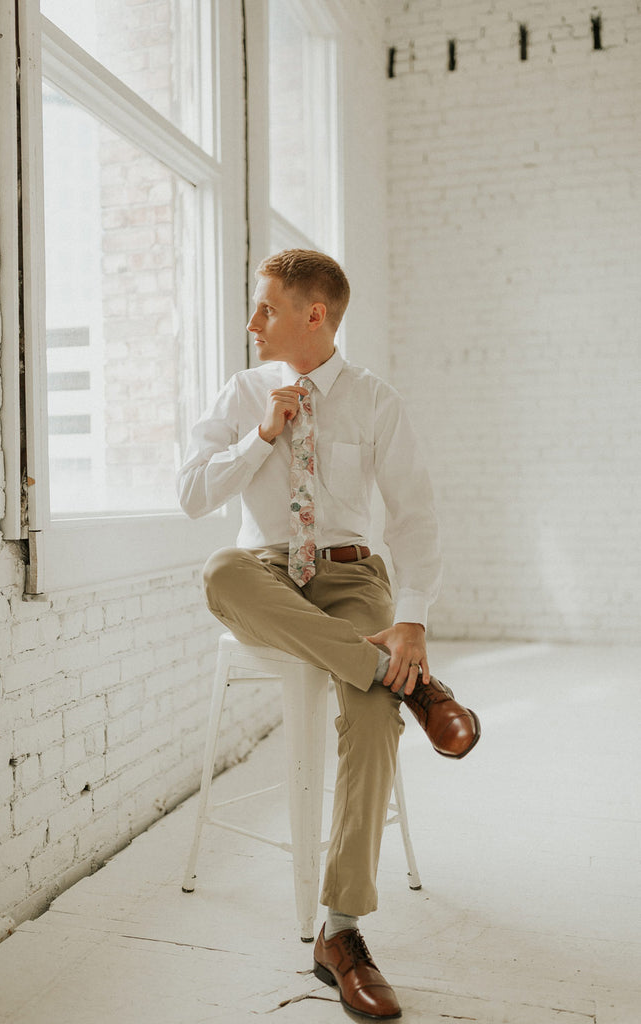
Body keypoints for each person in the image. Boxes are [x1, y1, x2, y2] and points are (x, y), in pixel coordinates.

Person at [178, 249, 480, 1021]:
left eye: (266, 309)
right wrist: (259, 439)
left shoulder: (374, 401)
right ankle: (406, 680)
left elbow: (414, 516)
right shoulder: (242, 391)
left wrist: (408, 618)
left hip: (350, 578)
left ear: (314, 315)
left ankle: (339, 933)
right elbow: (189, 494)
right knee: (219, 571)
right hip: (267, 576)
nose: (252, 322)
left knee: (371, 712)